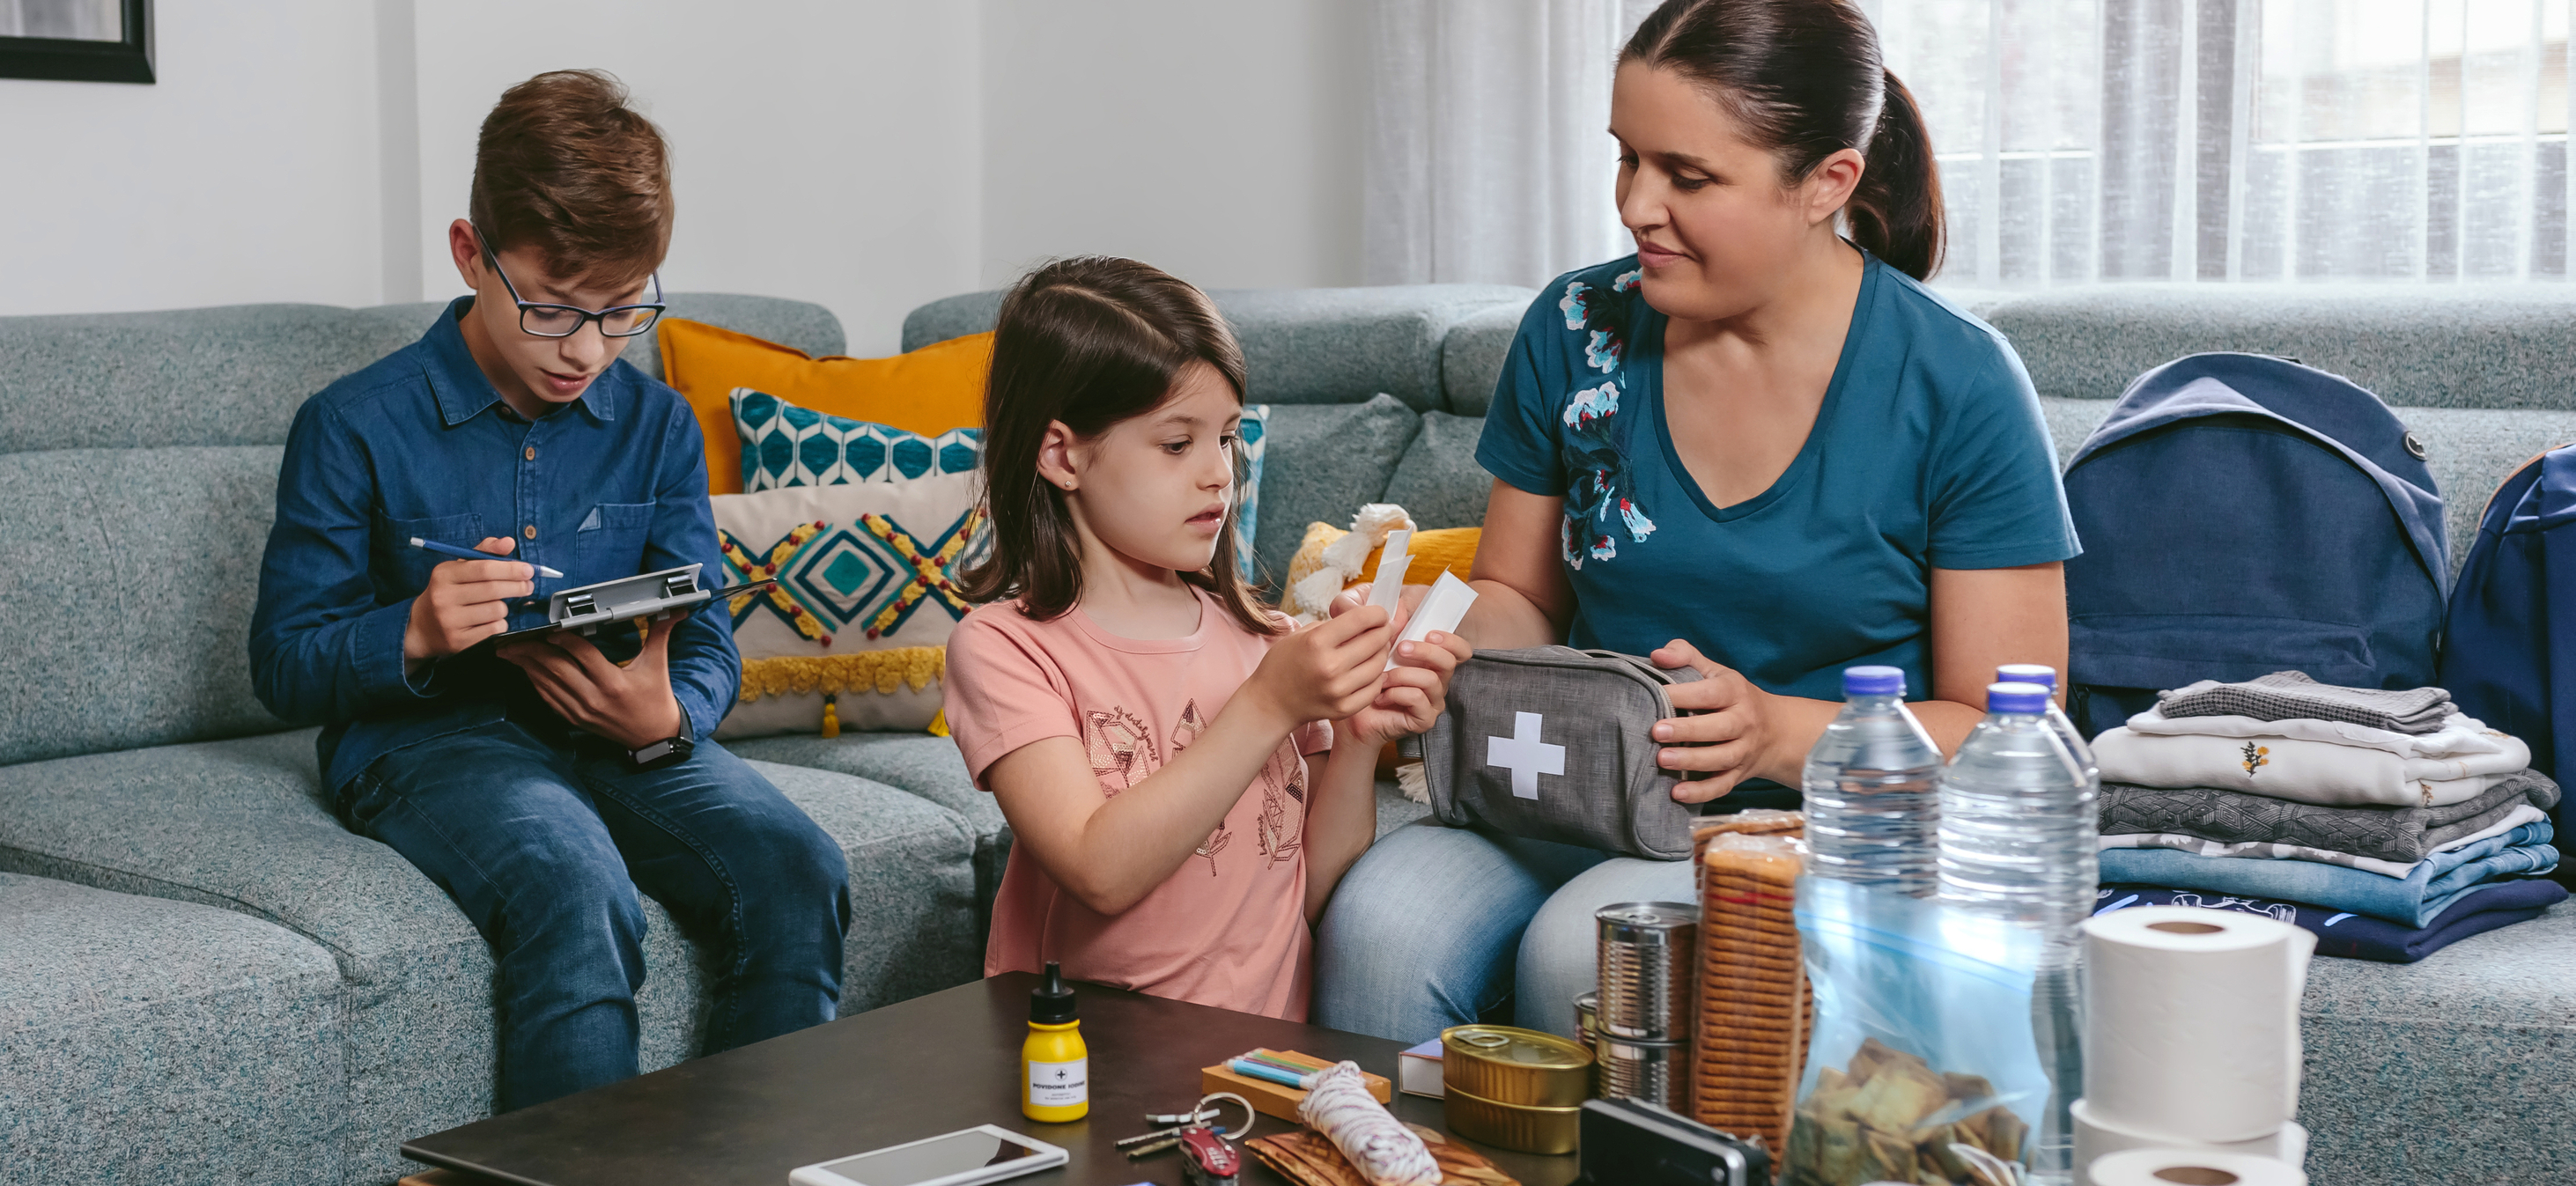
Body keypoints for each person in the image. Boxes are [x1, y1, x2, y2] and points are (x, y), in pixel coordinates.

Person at [1312, 0, 2077, 1042]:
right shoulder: (1575, 330)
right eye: (1627, 159)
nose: (1636, 204)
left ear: (1827, 183)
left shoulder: (1959, 383)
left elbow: (2002, 726)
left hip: (1805, 817)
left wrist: (1771, 727)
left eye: (1688, 175)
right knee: (1379, 929)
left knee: (1584, 952)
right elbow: (1522, 598)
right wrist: (1434, 636)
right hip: (1581, 792)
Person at [248, 70, 848, 1109]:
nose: (586, 350)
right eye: (554, 310)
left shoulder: (656, 425)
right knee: (575, 888)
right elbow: (284, 663)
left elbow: (705, 640)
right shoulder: (352, 424)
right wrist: (418, 631)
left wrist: (672, 712)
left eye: (623, 313)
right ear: (470, 254)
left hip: (623, 736)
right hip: (429, 746)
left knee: (799, 866)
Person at [942, 257, 1473, 1020]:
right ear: (1061, 455)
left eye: (1225, 438)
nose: (1217, 475)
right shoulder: (1005, 649)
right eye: (1175, 443)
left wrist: (1358, 735)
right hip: (1087, 1057)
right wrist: (1266, 707)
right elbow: (1099, 869)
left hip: (1258, 1058)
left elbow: (1309, 886)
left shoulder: (1264, 639)